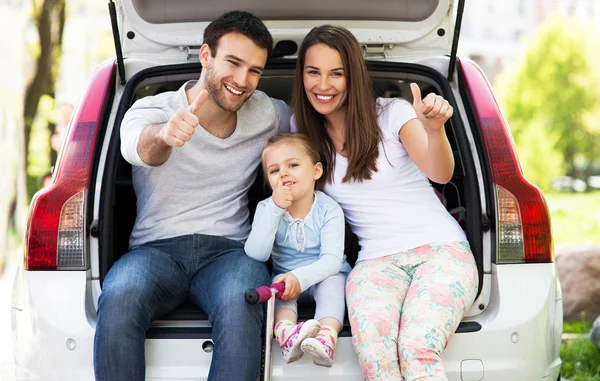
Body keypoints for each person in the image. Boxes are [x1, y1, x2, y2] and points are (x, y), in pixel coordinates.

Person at [94, 11, 292, 381]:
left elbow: (314, 131)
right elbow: (140, 149)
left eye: (254, 71)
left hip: (229, 252)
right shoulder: (152, 109)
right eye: (233, 63)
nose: (242, 80)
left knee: (244, 298)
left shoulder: (267, 113)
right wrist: (166, 135)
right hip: (156, 252)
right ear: (205, 56)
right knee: (120, 294)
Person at [291, 25, 478, 380]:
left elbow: (439, 172)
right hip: (375, 262)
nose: (323, 85)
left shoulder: (393, 113)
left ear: (354, 76)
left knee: (416, 347)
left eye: (336, 73)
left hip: (441, 252)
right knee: (376, 356)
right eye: (313, 72)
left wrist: (435, 130)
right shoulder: (301, 128)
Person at [244, 133, 351, 367]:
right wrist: (274, 208)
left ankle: (326, 337)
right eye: (274, 170)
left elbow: (332, 260)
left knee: (334, 284)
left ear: (316, 171)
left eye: (292, 165)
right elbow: (256, 254)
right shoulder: (266, 208)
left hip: (324, 276)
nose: (283, 173)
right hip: (286, 279)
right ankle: (285, 334)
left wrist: (299, 278)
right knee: (277, 291)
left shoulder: (328, 209)